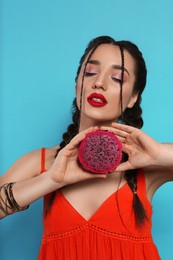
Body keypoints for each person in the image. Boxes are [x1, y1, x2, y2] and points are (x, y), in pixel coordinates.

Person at [0, 35, 173, 260]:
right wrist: (51, 181)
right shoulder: (41, 161)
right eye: (90, 72)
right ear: (77, 86)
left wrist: (159, 154)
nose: (98, 83)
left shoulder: (148, 165)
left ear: (133, 98)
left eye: (117, 78)